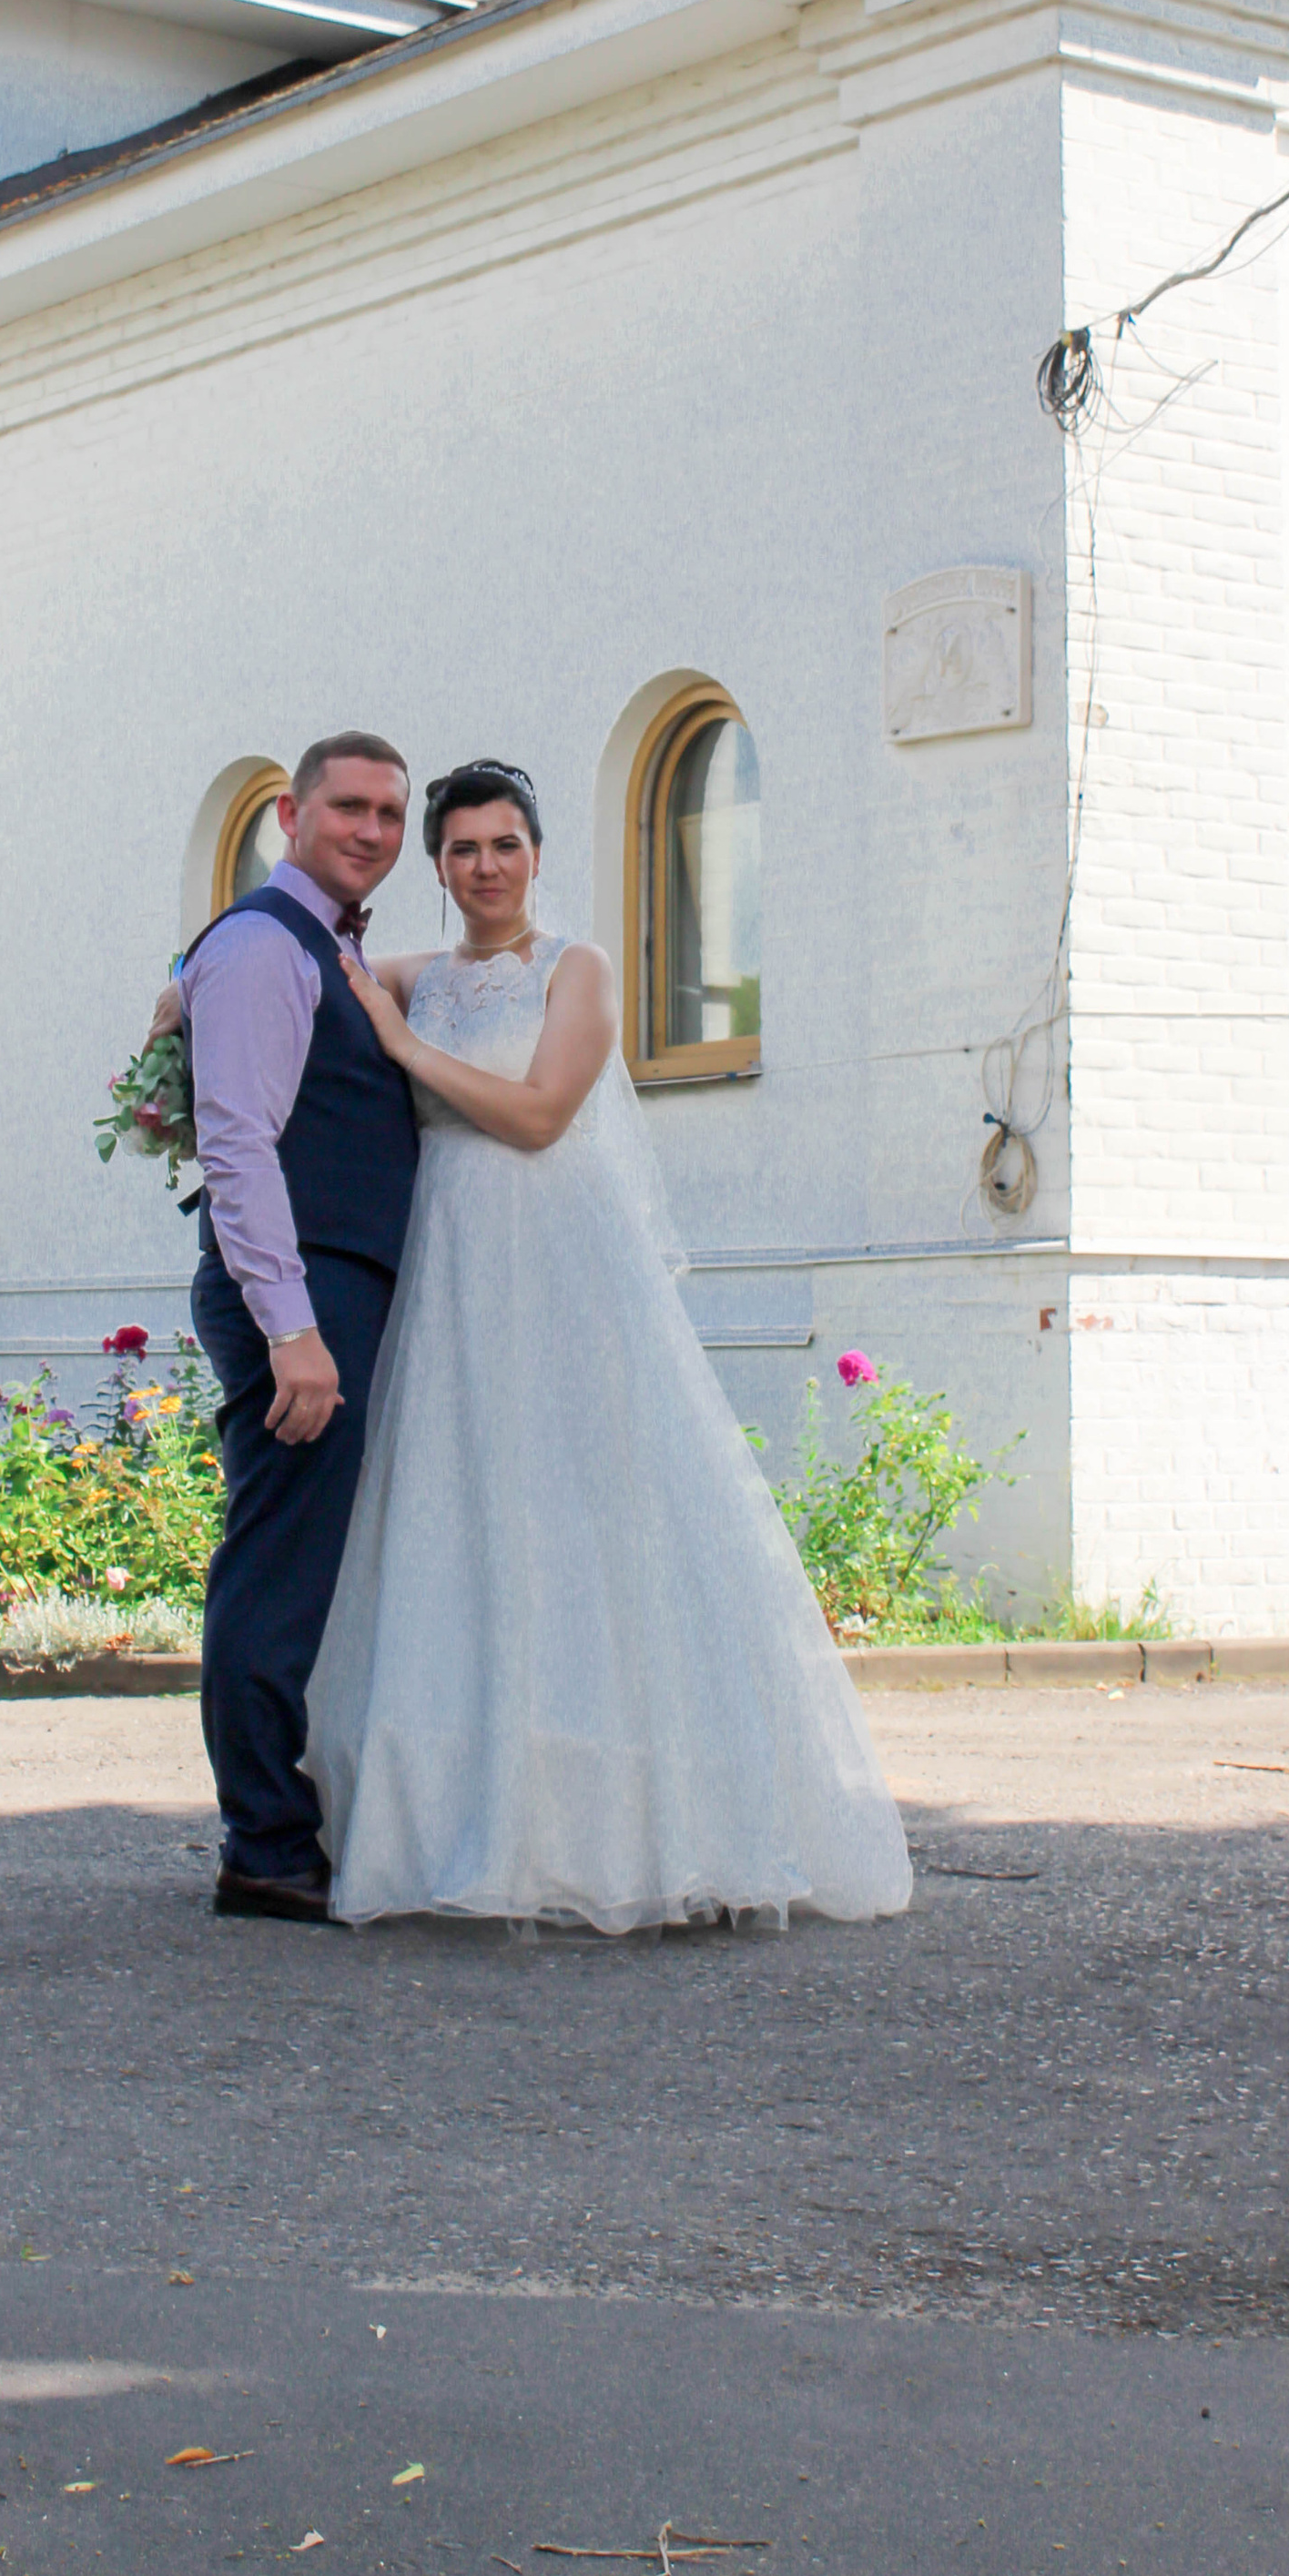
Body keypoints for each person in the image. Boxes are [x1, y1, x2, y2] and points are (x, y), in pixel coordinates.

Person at [309, 759, 913, 1932]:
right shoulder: (420, 976)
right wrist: (188, 987)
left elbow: (538, 1116)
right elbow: (299, 963)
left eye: (506, 845)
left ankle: (628, 1823)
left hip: (556, 1259)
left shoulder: (575, 969)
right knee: (463, 1506)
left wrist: (400, 1044)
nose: (486, 867)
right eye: (463, 849)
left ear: (538, 853)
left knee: (589, 1507)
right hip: (452, 1266)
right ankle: (461, 1809)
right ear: (438, 865)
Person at [178, 732, 420, 1924]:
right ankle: (265, 1841)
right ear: (291, 812)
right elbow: (237, 1143)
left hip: (327, 1286)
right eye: (349, 808)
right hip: (299, 1294)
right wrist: (291, 1328)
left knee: (306, 1564)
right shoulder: (264, 945)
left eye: (389, 814)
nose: (371, 831)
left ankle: (281, 1821)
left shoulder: (319, 950)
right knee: (279, 1566)